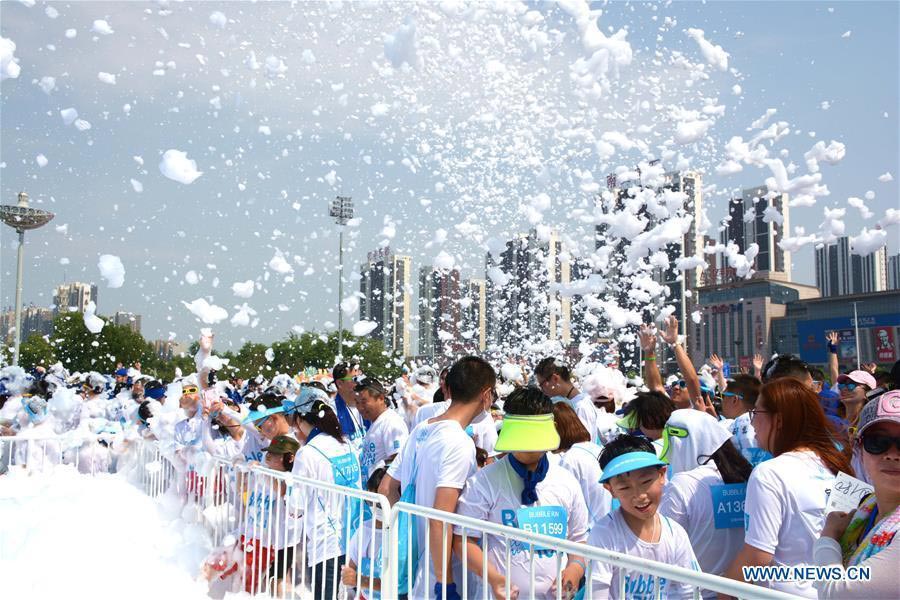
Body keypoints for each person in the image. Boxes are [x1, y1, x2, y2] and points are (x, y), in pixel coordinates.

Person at [379, 356, 496, 600]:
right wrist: (445, 583)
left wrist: (400, 541)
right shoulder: (459, 443)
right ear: (486, 395)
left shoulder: (422, 429)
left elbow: (386, 488)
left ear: (448, 389)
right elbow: (440, 518)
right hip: (443, 572)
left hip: (413, 565)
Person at [454, 386, 589, 599]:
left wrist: (574, 570)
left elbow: (579, 539)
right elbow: (463, 540)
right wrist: (494, 578)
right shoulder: (483, 482)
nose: (527, 445)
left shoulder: (566, 481)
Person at [724, 378, 853, 598]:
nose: (752, 423)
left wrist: (722, 592)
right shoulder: (837, 464)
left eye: (756, 413)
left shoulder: (769, 474)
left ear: (779, 420)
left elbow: (757, 557)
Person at [588, 434, 699, 598]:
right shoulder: (604, 534)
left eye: (646, 481)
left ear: (662, 475)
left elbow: (689, 592)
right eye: (625, 488)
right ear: (611, 490)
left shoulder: (675, 533)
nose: (639, 495)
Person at [813, 391, 900, 598]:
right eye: (877, 442)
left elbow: (838, 594)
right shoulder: (867, 508)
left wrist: (828, 537)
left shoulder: (850, 519)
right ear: (859, 450)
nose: (893, 455)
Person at [658, 410, 752, 596]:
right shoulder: (746, 477)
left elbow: (666, 547)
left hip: (696, 591)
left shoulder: (683, 484)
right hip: (741, 590)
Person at [289, 386, 362, 600]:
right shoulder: (346, 445)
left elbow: (296, 508)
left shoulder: (307, 453)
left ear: (302, 419)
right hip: (354, 540)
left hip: (326, 546)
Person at [553, 401, 613, 529]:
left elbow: (565, 504)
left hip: (590, 531)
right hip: (610, 525)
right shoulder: (597, 449)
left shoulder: (570, 459)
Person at [342, 467, 390, 600]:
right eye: (371, 501)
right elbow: (350, 570)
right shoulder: (364, 530)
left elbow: (397, 584)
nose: (375, 506)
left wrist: (360, 580)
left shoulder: (401, 536)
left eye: (380, 503)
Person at [535, 356, 600, 444]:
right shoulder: (576, 402)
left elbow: (584, 444)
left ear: (555, 379)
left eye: (542, 384)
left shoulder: (580, 406)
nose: (542, 389)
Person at [355, 376, 408, 483]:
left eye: (364, 402)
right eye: (357, 402)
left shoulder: (391, 422)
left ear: (381, 398)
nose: (360, 407)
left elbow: (398, 461)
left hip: (382, 495)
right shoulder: (376, 422)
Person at [717, 374, 770, 466]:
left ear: (734, 399)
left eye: (724, 396)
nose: (722, 401)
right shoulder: (766, 422)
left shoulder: (736, 424)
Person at [616, 391, 675, 455]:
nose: (635, 428)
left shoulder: (649, 452)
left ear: (650, 421)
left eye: (638, 423)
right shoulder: (681, 441)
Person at [332, 362, 367, 449]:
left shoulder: (368, 406)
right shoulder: (332, 411)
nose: (359, 383)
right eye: (354, 379)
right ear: (340, 383)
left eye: (360, 378)